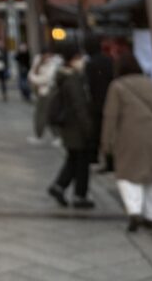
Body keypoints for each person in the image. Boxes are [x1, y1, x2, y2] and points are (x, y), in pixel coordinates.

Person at [101, 53, 152, 232]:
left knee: (127, 174)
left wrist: (106, 142)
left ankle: (134, 210)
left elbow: (111, 116)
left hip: (129, 134)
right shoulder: (150, 83)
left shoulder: (117, 86)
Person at [47, 43, 95, 209]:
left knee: (74, 159)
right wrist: (88, 128)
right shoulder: (73, 79)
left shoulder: (63, 76)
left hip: (68, 126)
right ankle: (79, 195)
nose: (82, 60)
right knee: (81, 161)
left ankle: (59, 186)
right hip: (76, 127)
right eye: (79, 57)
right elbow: (79, 106)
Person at [84, 34, 114, 167]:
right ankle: (110, 160)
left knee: (96, 131)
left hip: (96, 102)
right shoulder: (109, 61)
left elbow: (88, 85)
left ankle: (94, 157)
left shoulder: (90, 64)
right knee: (109, 131)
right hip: (109, 99)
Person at [28, 48, 62, 143]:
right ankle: (39, 135)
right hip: (41, 92)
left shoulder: (54, 63)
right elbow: (30, 74)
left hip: (49, 92)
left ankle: (57, 136)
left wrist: (33, 78)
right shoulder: (38, 61)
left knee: (48, 115)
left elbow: (47, 79)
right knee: (40, 114)